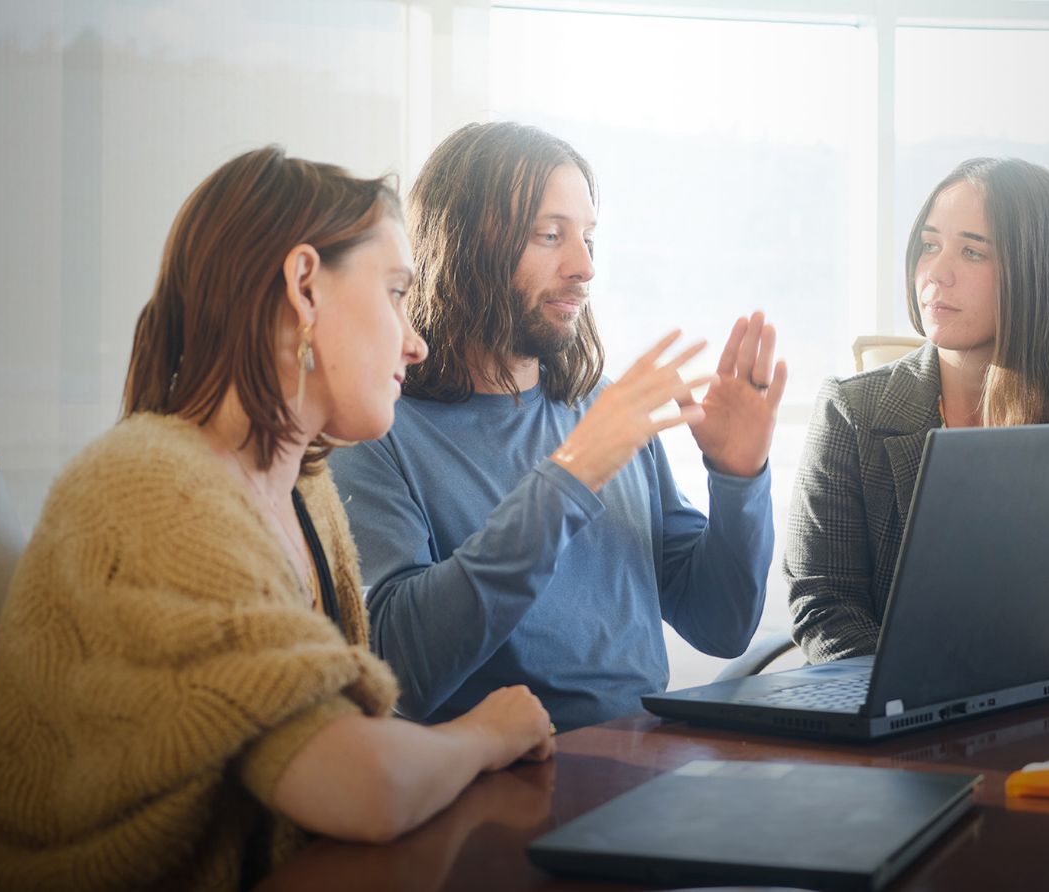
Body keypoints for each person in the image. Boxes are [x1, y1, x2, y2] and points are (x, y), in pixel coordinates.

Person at [0, 147, 555, 892]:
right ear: (305, 286)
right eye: (396, 293)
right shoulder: (150, 489)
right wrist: (487, 733)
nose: (415, 341)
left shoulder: (305, 491)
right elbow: (363, 786)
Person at [328, 122, 787, 731]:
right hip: (497, 777)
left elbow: (721, 625)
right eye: (550, 235)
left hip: (645, 761)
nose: (584, 267)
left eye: (589, 238)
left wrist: (737, 478)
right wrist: (572, 476)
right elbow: (402, 675)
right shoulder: (377, 432)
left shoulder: (605, 409)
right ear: (463, 246)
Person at [785, 157, 1049, 673]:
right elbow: (823, 604)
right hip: (909, 717)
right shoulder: (853, 410)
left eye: (972, 252)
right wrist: (914, 691)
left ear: (1039, 274)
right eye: (929, 245)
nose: (935, 273)